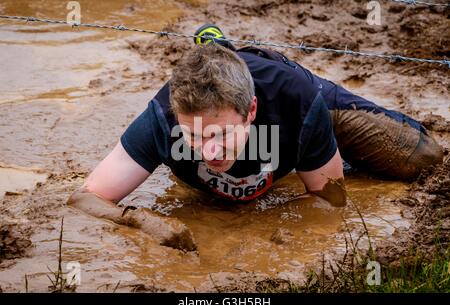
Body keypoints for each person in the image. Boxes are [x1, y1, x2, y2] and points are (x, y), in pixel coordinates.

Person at [67, 25, 442, 247]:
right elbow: (86, 198)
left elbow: (330, 200)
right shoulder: (162, 117)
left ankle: (235, 58)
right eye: (193, 136)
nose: (209, 152)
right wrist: (143, 221)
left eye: (219, 134)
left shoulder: (297, 102)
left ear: (249, 113)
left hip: (297, 101)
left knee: (422, 157)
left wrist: (265, 227)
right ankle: (217, 53)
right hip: (257, 115)